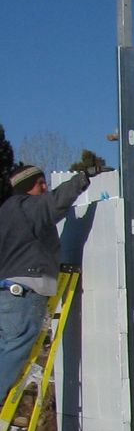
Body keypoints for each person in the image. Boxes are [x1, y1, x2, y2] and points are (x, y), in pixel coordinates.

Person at [0, 162, 95, 400]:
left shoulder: (6, 211)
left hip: (7, 293)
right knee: (16, 347)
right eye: (40, 183)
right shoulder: (26, 207)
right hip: (25, 292)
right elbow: (54, 203)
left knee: (5, 348)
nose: (44, 187)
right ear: (27, 187)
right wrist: (83, 178)